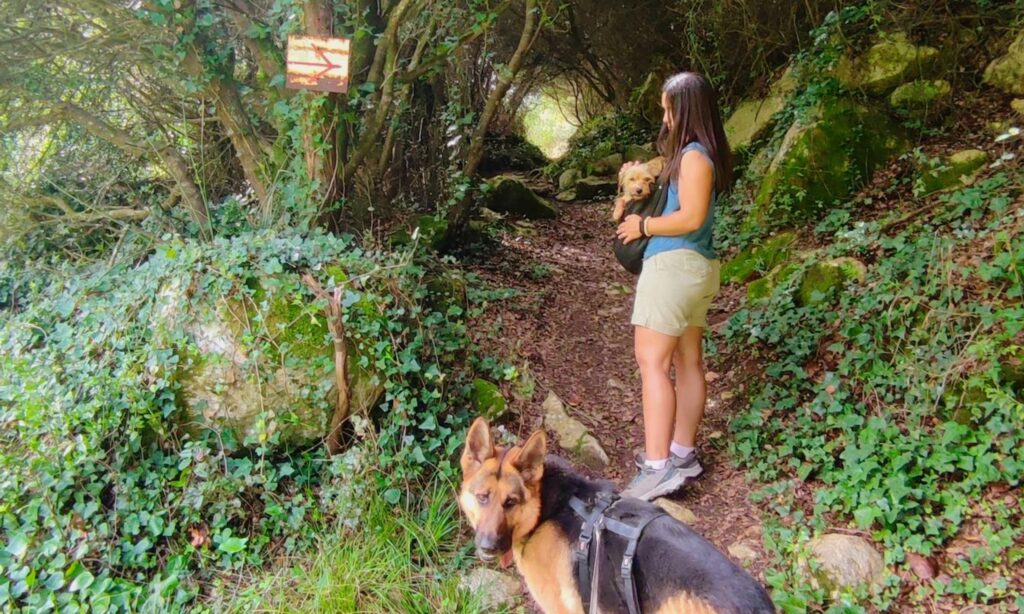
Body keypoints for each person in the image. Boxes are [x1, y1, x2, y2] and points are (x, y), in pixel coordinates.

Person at [615, 72, 732, 501]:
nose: (664, 116)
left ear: (685, 109)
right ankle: (682, 454)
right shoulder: (697, 156)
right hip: (697, 270)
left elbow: (692, 217)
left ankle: (658, 466)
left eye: (667, 107)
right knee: (687, 362)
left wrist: (643, 223)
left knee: (651, 363)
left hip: (674, 268)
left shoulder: (693, 157)